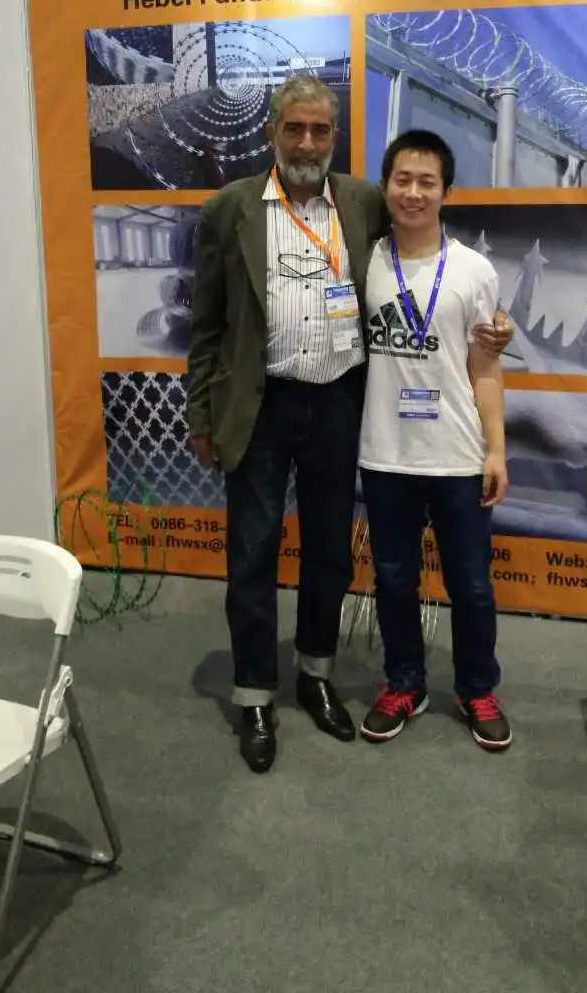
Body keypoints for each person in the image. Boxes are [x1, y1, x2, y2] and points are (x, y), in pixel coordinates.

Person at [187, 77, 514, 774]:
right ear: (272, 131)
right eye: (294, 128)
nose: (307, 143)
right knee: (252, 553)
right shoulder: (229, 209)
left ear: (335, 137)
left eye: (320, 131)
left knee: (330, 554)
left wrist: (496, 330)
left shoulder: (363, 202)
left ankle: (315, 673)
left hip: (340, 404)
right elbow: (206, 324)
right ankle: (254, 694)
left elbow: (438, 279)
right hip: (259, 405)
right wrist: (201, 416)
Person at [357, 129, 512, 753]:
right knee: (393, 580)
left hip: (457, 453)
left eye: (427, 182)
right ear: (385, 186)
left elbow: (486, 368)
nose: (413, 193)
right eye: (403, 180)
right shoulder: (364, 262)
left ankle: (477, 689)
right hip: (385, 452)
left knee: (471, 584)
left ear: (446, 191)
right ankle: (405, 683)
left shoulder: (474, 271)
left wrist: (495, 450)